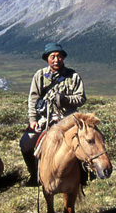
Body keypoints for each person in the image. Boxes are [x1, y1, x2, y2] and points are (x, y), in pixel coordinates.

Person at [19, 42, 87, 186]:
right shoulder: (40, 76)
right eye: (53, 57)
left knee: (84, 141)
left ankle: (84, 174)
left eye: (59, 56)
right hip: (46, 119)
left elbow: (81, 98)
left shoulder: (73, 76)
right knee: (25, 143)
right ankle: (34, 174)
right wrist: (33, 120)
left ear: (63, 58)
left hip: (68, 119)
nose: (56, 60)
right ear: (47, 59)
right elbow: (33, 99)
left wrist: (66, 100)